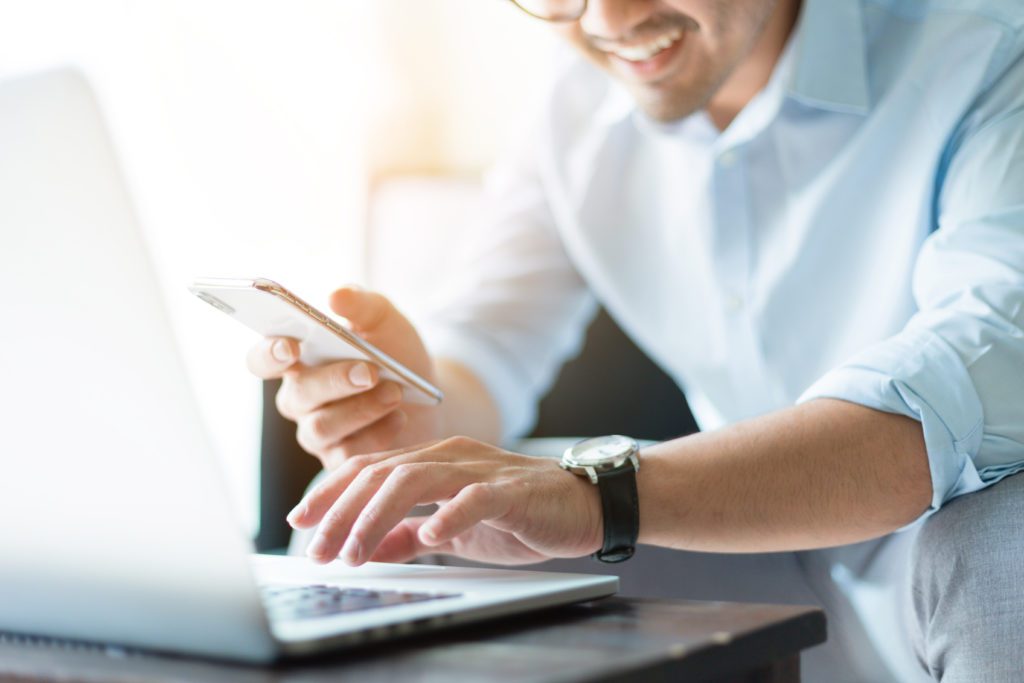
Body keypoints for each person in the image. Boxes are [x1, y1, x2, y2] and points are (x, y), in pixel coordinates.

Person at [247, 1, 1024, 680]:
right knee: (401, 528)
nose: (608, 20)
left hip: (955, 553)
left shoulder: (991, 50)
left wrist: (603, 497)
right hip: (767, 558)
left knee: (1001, 544)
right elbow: (485, 342)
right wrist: (412, 411)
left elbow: (955, 396)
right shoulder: (576, 101)